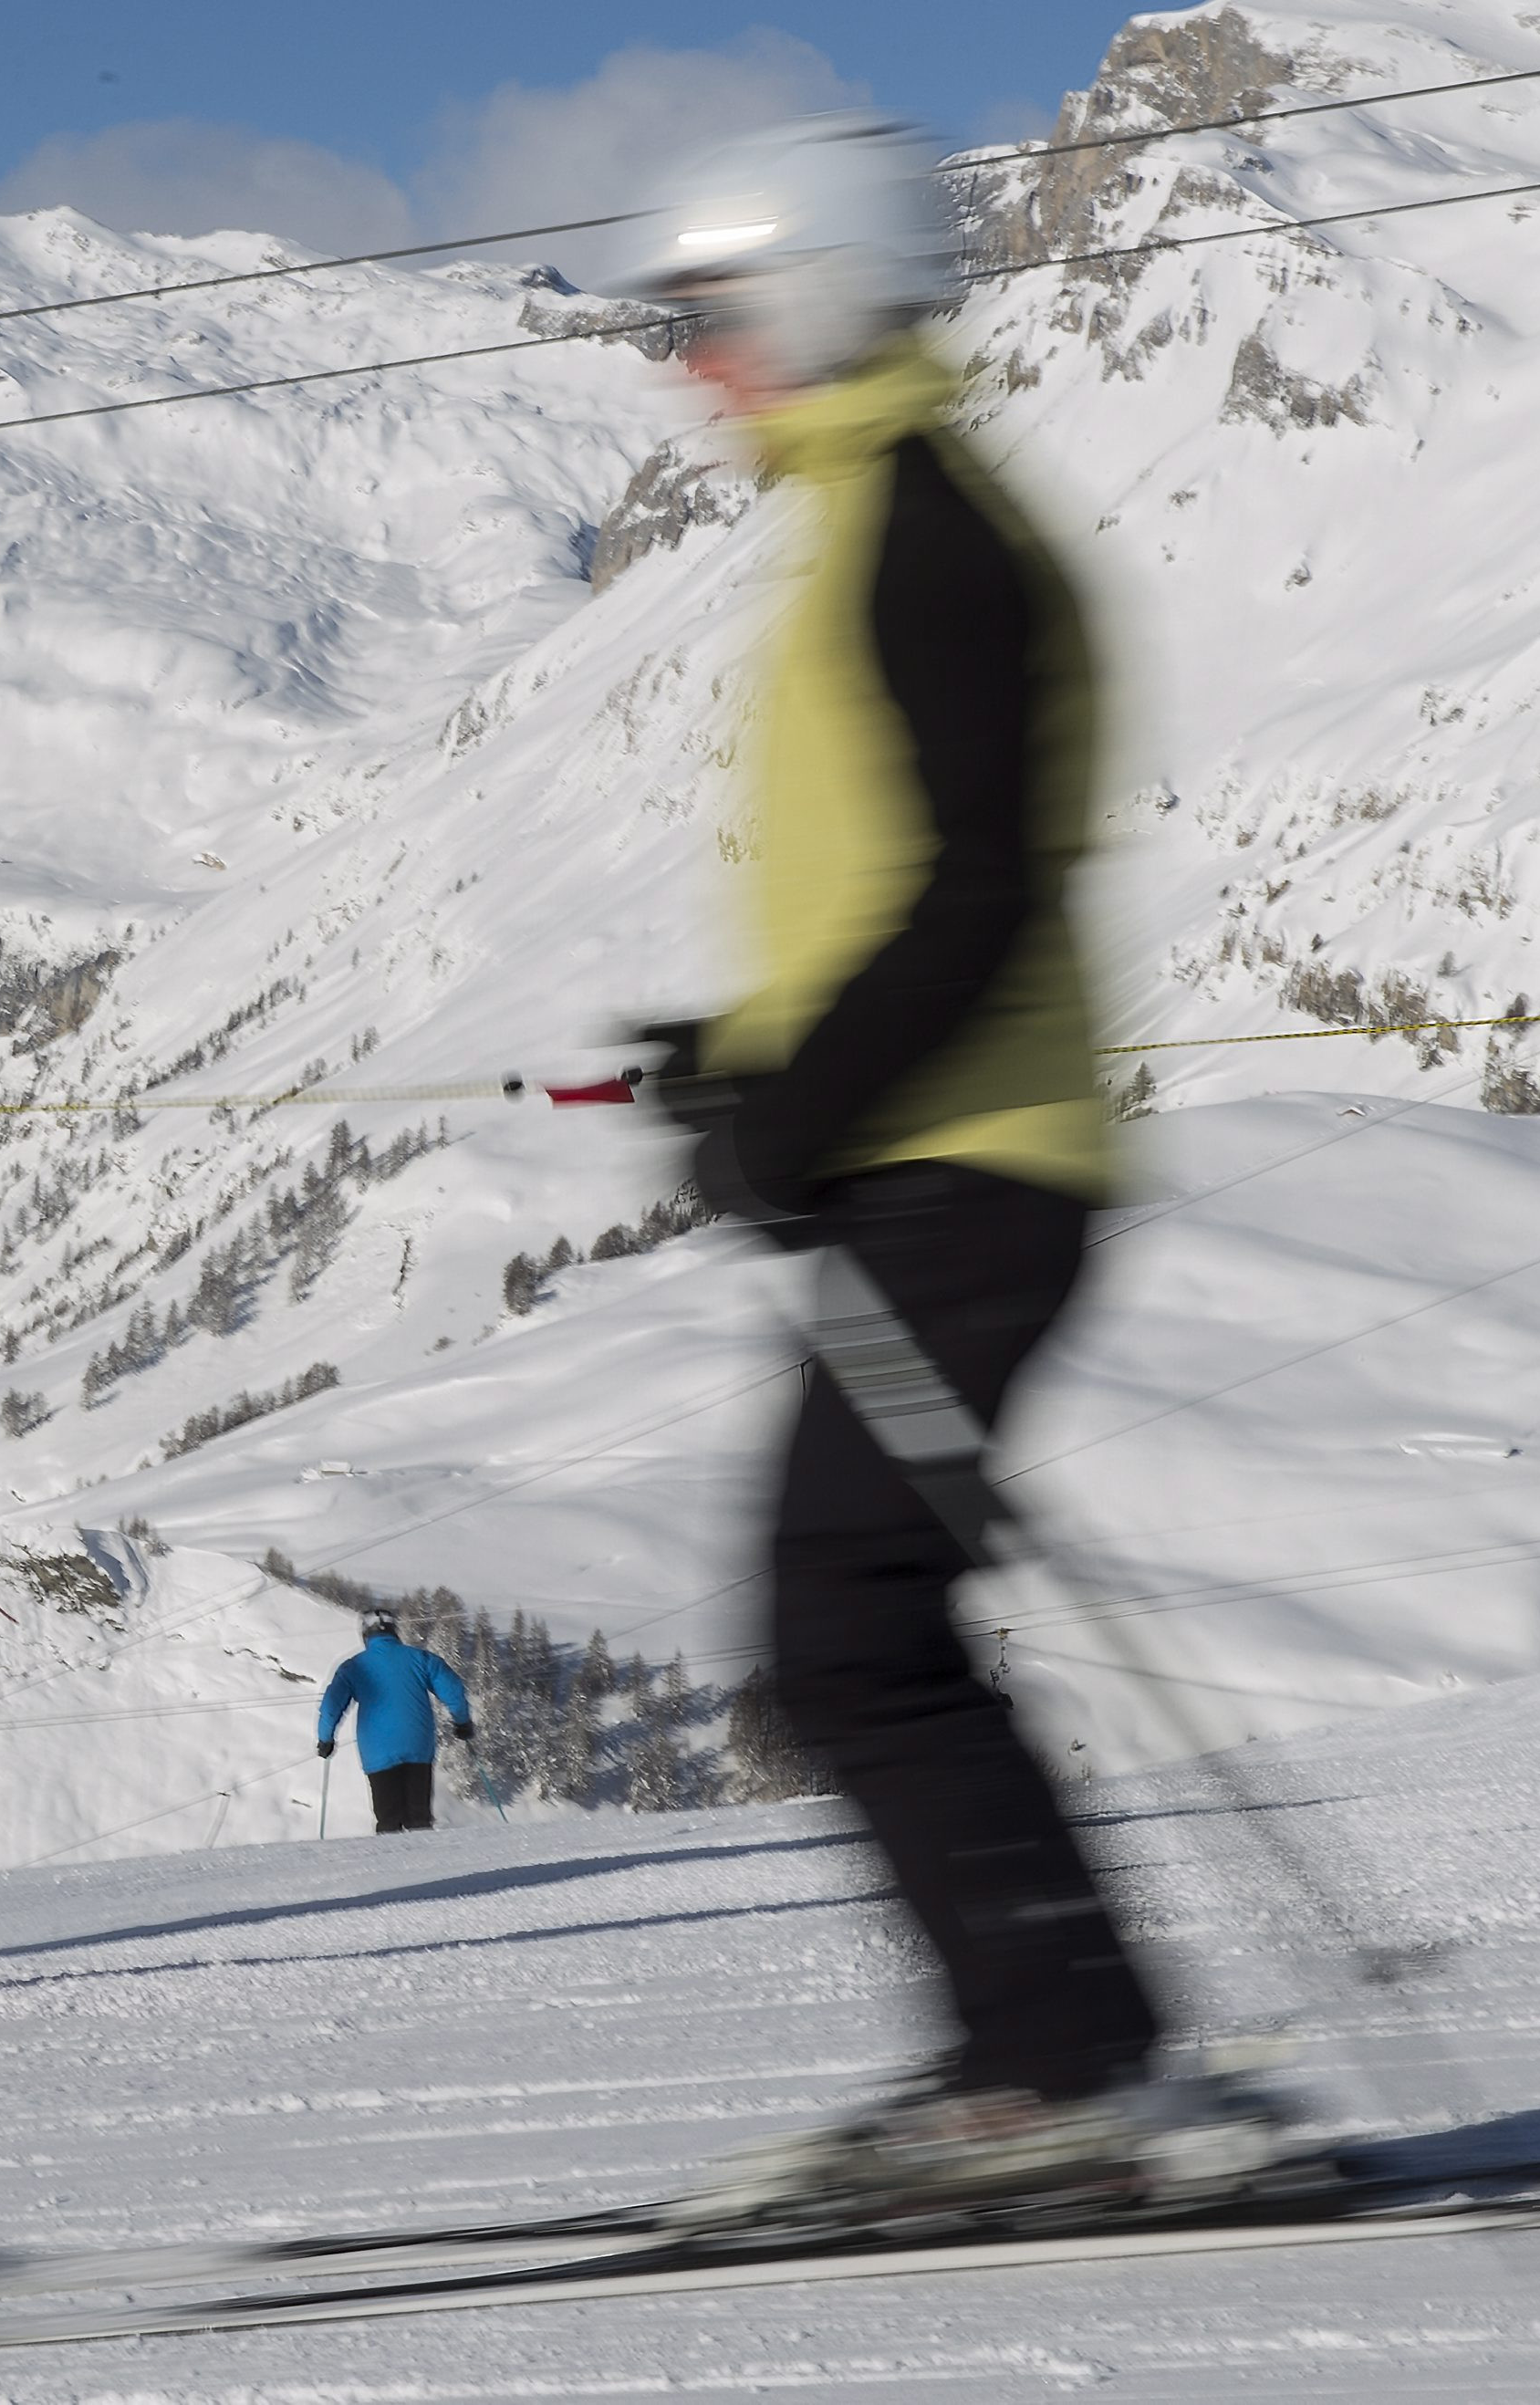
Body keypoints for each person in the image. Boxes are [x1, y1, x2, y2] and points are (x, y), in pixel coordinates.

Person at [613, 114, 1278, 2213]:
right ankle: (1062, 2045)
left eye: (704, 312)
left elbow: (980, 887)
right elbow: (906, 891)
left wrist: (793, 1111)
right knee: (863, 1614)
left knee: (851, 1624)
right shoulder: (887, 513)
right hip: (948, 1147)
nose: (682, 358)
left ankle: (1062, 2061)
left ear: (807, 289)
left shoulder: (929, 533)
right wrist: (744, 1062)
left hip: (972, 1167)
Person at [315, 1610, 473, 1834]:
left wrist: (325, 1739)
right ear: (394, 1631)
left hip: (378, 1749)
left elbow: (331, 1707)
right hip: (418, 1743)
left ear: (365, 1635)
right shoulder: (421, 1658)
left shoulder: (354, 1667)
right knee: (419, 1817)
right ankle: (426, 1859)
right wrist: (462, 1722)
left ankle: (392, 1862)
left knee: (388, 1819)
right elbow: (453, 1690)